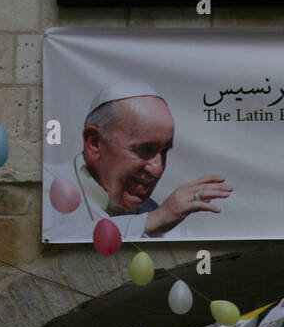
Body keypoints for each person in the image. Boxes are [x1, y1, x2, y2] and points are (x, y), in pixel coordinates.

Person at [45, 82, 232, 241]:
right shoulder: (46, 187)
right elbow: (43, 246)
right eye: (144, 150)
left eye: (164, 152)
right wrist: (150, 222)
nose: (157, 170)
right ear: (95, 143)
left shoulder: (161, 219)